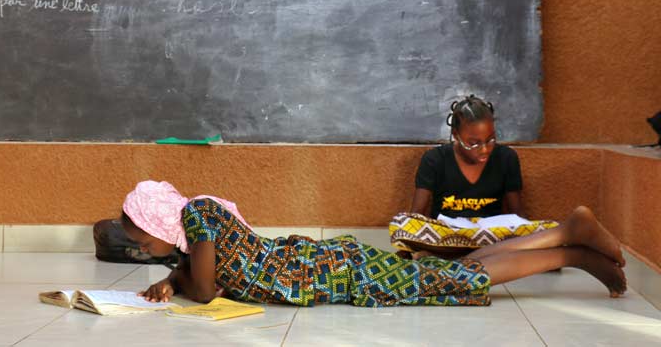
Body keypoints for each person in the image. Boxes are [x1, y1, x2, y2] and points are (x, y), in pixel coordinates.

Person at [121, 180, 626, 308]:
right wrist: (171, 277)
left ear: (153, 219)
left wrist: (180, 282)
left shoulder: (197, 220)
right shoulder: (196, 217)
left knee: (457, 276)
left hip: (337, 272)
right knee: (457, 268)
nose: (141, 247)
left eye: (139, 236)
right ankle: (568, 239)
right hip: (329, 261)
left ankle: (571, 248)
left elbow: (207, 291)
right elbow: (197, 266)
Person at [410, 95, 525, 219]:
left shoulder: (506, 158)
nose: (485, 149)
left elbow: (517, 214)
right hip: (447, 235)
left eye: (490, 140)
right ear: (456, 135)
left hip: (490, 234)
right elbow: (416, 215)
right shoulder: (435, 160)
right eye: (474, 143)